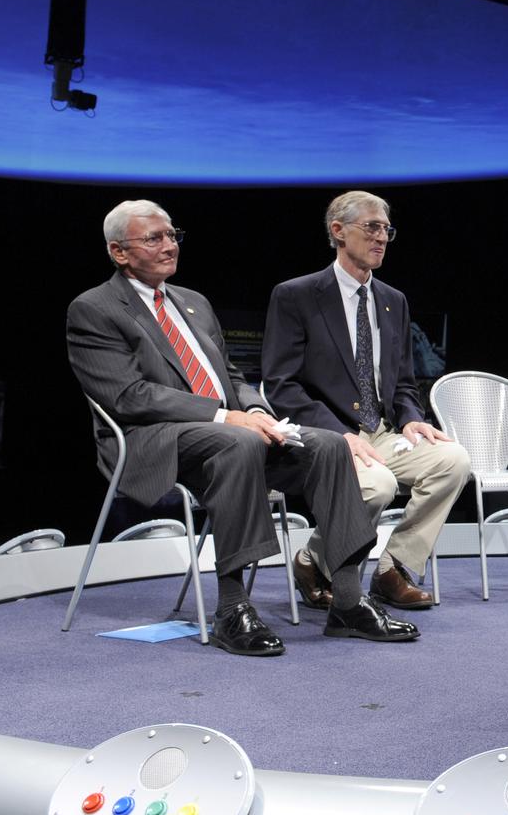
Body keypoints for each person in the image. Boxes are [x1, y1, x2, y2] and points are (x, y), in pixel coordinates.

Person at [67, 199, 419, 656]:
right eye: (153, 238)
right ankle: (232, 609)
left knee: (331, 445)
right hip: (151, 440)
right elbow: (129, 396)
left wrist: (254, 411)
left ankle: (348, 603)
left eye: (173, 235)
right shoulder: (94, 308)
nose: (169, 245)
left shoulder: (193, 302)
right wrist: (224, 416)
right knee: (236, 443)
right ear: (119, 252)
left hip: (227, 433)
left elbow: (232, 377)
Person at [263, 190, 470, 611]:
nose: (381, 238)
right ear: (338, 231)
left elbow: (405, 381)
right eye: (371, 227)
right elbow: (281, 385)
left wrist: (412, 418)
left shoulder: (394, 301)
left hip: (382, 432)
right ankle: (315, 561)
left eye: (386, 230)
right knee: (377, 487)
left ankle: (391, 568)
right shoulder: (297, 295)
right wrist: (340, 434)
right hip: (325, 435)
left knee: (453, 461)